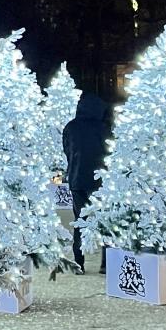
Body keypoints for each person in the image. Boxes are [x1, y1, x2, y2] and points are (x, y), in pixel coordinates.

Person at [63, 92, 111, 274]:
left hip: (77, 180)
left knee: (80, 220)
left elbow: (67, 151)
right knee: (105, 221)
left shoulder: (71, 127)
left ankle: (79, 263)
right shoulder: (103, 128)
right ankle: (105, 264)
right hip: (100, 181)